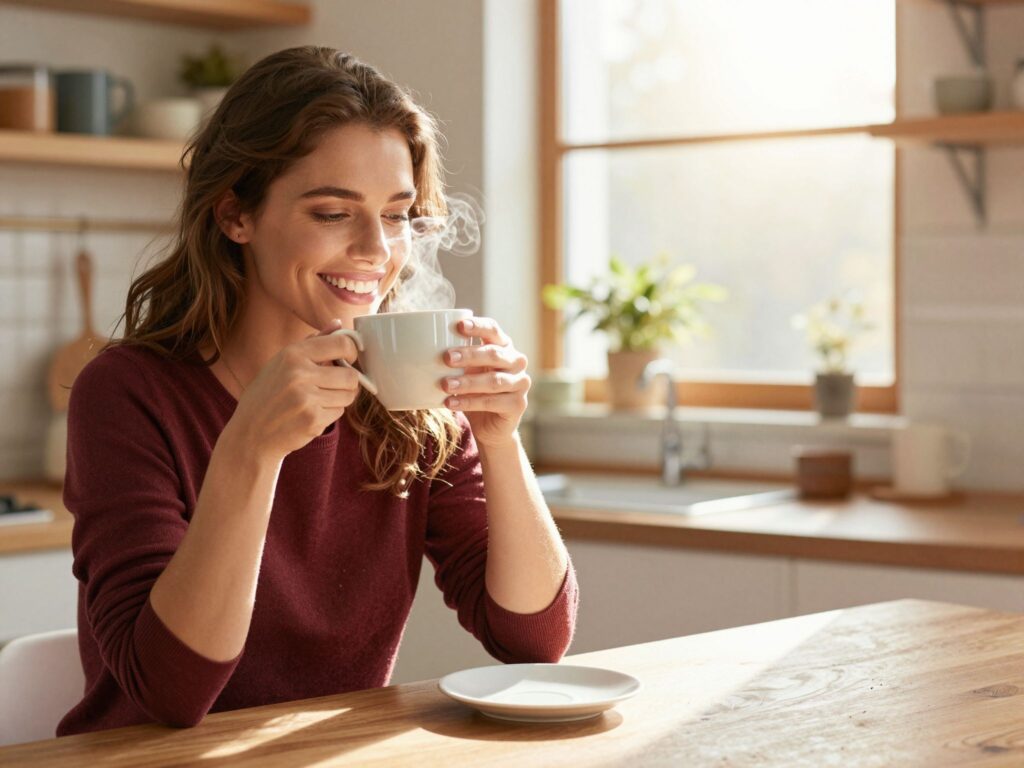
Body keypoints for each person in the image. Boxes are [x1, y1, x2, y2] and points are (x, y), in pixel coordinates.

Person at [56, 46, 578, 736]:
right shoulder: (128, 393)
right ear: (234, 216)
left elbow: (533, 640)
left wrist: (499, 439)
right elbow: (171, 692)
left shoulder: (406, 397)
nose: (376, 250)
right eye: (334, 213)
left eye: (396, 215)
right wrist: (250, 447)